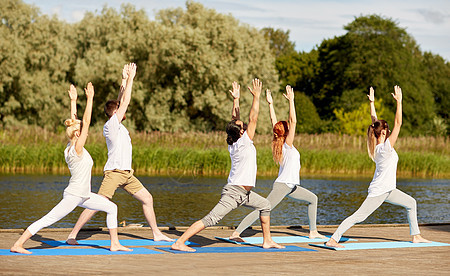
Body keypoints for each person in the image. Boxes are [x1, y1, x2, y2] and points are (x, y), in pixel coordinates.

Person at [11, 83, 131, 254]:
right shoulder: (77, 149)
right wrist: (90, 98)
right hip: (74, 195)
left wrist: (73, 100)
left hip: (84, 195)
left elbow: (74, 122)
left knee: (112, 207)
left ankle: (115, 244)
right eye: (82, 132)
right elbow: (86, 121)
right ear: (77, 134)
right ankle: (17, 244)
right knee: (48, 219)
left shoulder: (70, 146)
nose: (86, 133)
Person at [171, 79, 284, 252]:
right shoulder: (244, 142)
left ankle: (267, 240)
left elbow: (234, 119)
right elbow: (253, 117)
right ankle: (179, 242)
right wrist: (257, 96)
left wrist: (236, 100)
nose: (244, 125)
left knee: (265, 205)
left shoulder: (235, 142)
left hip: (245, 193)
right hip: (234, 193)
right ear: (240, 132)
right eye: (242, 126)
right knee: (211, 219)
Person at [66, 63, 173, 244]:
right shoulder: (111, 126)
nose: (125, 111)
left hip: (127, 174)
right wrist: (131, 78)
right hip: (114, 173)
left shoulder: (117, 125)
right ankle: (72, 234)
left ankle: (156, 233)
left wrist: (123, 80)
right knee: (98, 203)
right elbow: (124, 102)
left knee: (147, 198)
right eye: (121, 110)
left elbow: (120, 100)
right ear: (115, 113)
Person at [326, 86, 431, 248]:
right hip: (380, 190)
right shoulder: (385, 149)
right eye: (386, 129)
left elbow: (374, 122)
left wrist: (372, 102)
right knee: (359, 216)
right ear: (383, 133)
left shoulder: (378, 145)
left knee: (411, 203)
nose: (389, 131)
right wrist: (399, 102)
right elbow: (399, 123)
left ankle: (416, 236)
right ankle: (333, 239)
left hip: (389, 189)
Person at [229, 85, 327, 242]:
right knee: (264, 207)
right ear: (287, 132)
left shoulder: (279, 142)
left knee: (313, 199)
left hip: (291, 186)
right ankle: (236, 233)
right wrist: (291, 102)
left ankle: (313, 232)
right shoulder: (286, 144)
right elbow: (293, 121)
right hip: (283, 186)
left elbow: (275, 124)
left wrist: (271, 105)